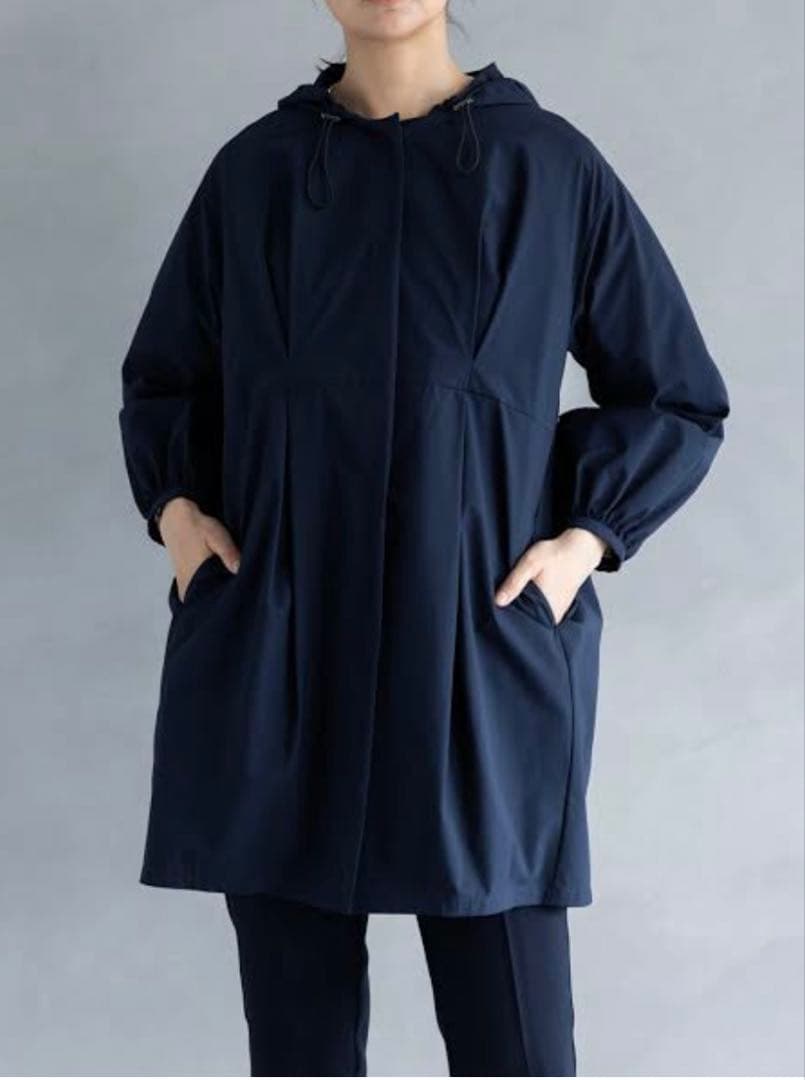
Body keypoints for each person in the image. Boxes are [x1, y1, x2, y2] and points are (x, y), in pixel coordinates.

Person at [117, 1, 730, 1075]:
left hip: (474, 644)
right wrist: (179, 517)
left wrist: (583, 541)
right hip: (284, 641)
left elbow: (674, 394)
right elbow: (165, 376)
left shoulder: (548, 167)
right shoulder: (256, 173)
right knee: (298, 1050)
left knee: (516, 1048)